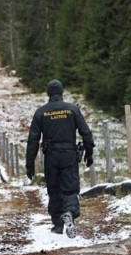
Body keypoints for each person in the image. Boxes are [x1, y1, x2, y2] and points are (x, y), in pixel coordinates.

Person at [25, 80, 94, 238]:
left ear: (48, 94)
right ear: (62, 93)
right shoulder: (72, 110)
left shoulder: (41, 112)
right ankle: (69, 211)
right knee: (70, 188)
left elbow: (33, 140)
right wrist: (89, 153)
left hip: (51, 156)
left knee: (54, 189)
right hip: (69, 154)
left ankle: (57, 224)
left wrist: (30, 165)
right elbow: (86, 133)